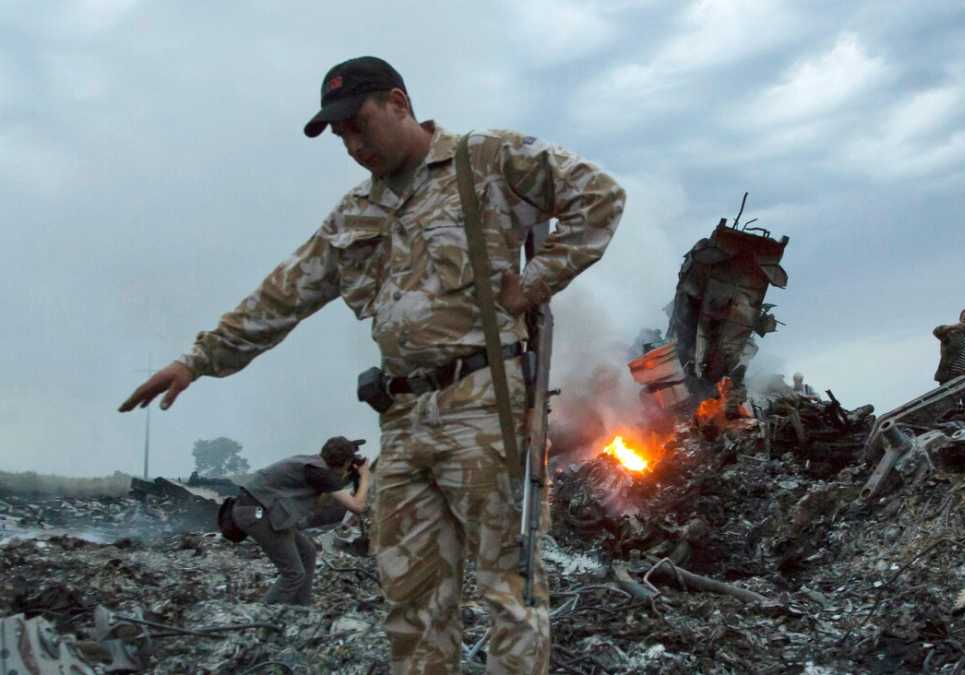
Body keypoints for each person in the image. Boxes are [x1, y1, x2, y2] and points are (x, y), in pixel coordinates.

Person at [118, 56, 625, 673]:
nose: (354, 146)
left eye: (360, 125)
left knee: (510, 593)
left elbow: (599, 196)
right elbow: (285, 293)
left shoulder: (485, 159)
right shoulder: (356, 213)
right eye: (341, 137)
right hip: (404, 422)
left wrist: (534, 283)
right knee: (411, 606)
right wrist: (196, 361)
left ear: (398, 102)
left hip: (487, 410)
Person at [232, 436, 370, 605]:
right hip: (257, 514)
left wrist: (350, 472)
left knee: (307, 552)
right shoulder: (320, 473)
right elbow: (357, 506)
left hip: (261, 511)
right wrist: (364, 477)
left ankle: (300, 609)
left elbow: (326, 493)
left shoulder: (313, 465)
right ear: (345, 462)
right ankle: (262, 621)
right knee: (293, 574)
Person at [933, 308, 965, 417]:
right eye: (964, 320)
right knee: (948, 411)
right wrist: (955, 326)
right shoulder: (950, 334)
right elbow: (937, 331)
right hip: (950, 378)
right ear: (960, 319)